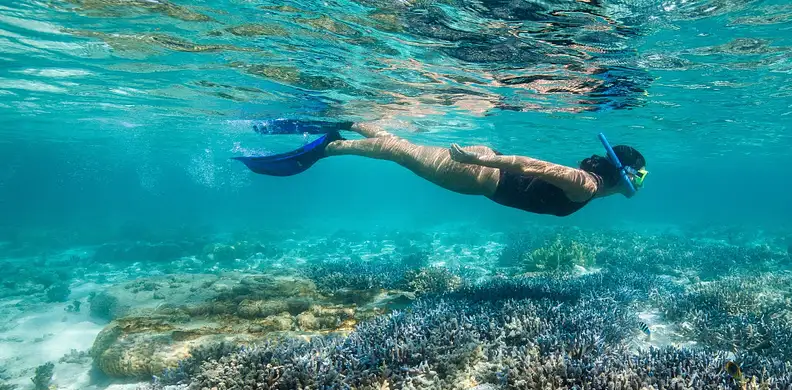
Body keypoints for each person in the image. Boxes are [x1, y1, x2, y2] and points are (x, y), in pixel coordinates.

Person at [235, 120, 648, 217]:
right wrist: (482, 160)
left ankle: (345, 119)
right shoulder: (587, 186)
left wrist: (487, 157)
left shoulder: (592, 185)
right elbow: (530, 165)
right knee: (398, 152)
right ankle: (328, 147)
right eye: (638, 178)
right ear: (623, 175)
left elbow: (531, 166)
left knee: (402, 146)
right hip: (479, 173)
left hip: (485, 168)